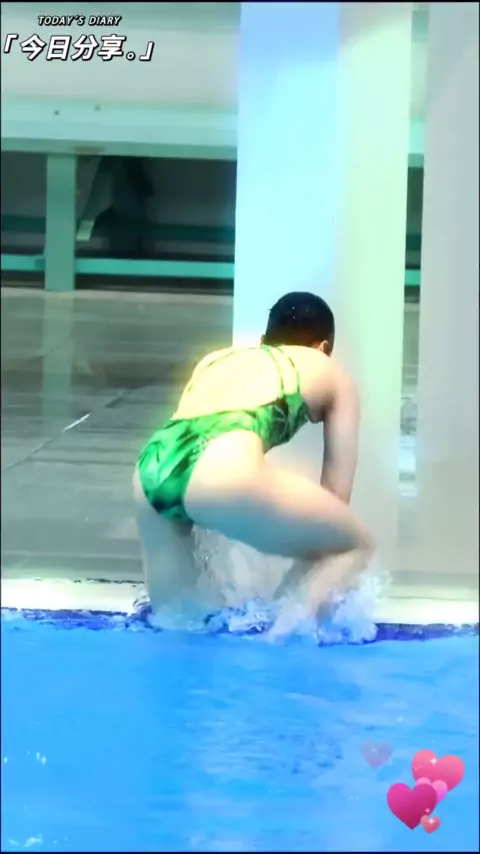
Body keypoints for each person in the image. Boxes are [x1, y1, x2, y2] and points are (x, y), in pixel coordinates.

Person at [133, 291, 374, 631]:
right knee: (350, 546)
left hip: (151, 469)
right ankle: (279, 638)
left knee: (179, 624)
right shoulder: (329, 371)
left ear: (263, 341)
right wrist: (295, 594)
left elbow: (195, 448)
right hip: (221, 467)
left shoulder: (216, 360)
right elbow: (336, 497)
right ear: (323, 347)